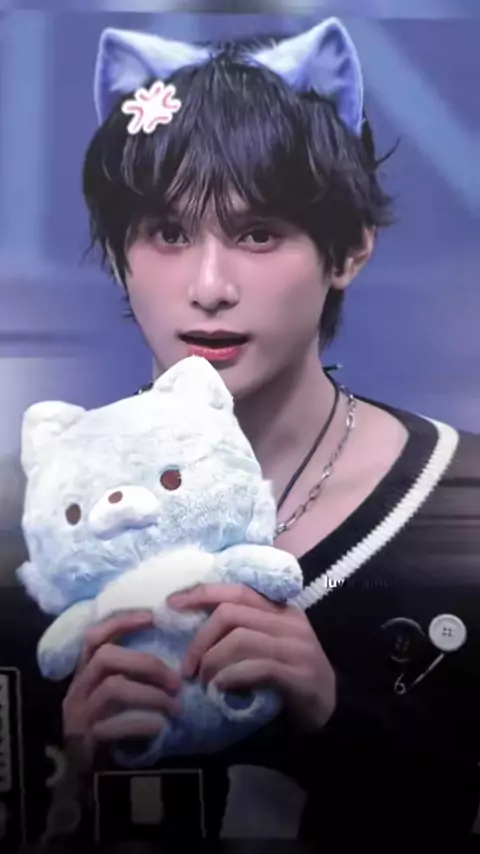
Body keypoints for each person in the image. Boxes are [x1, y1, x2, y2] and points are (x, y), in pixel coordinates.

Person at [1, 16, 480, 849]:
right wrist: (69, 775)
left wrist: (335, 719)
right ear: (118, 256)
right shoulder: (33, 522)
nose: (210, 285)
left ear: (349, 250)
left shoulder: (462, 504)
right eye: (168, 233)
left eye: (258, 233)